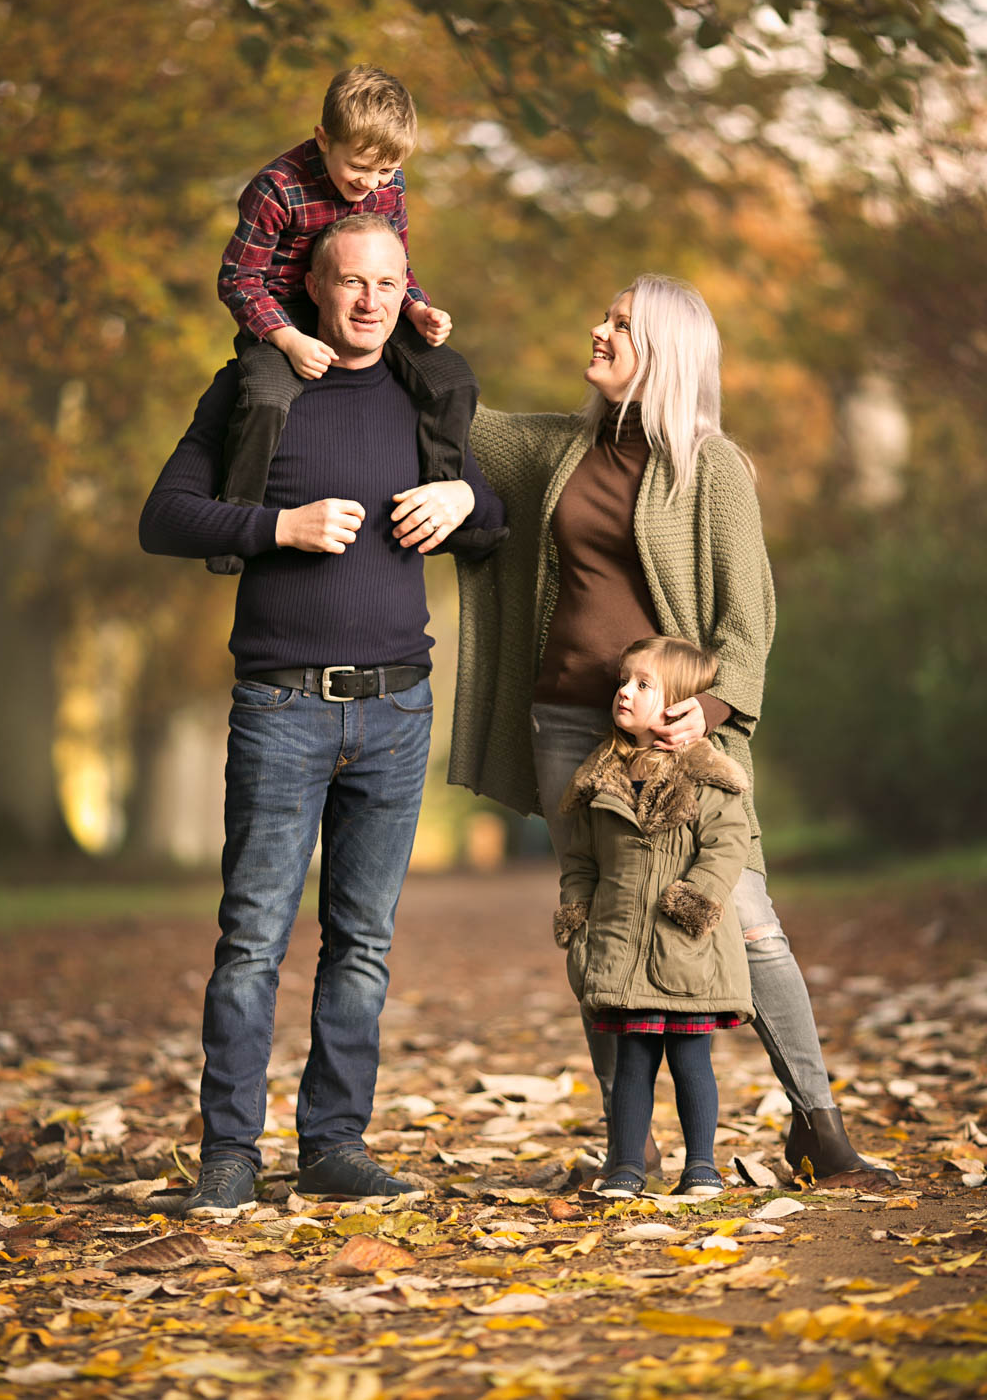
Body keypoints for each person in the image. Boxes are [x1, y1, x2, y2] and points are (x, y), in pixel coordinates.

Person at [450, 273, 897, 1187]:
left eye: (620, 322)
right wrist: (414, 321)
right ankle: (631, 1146)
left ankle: (818, 1125)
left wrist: (714, 706)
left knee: (748, 918)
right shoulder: (561, 450)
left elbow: (748, 616)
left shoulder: (712, 466)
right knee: (601, 925)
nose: (598, 329)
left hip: (679, 735)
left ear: (666, 349)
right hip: (571, 728)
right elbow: (465, 419)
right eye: (603, 315)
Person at [139, 215, 506, 1216]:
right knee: (253, 936)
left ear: (405, 288)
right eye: (349, 282)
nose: (368, 301)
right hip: (280, 708)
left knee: (363, 942)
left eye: (386, 283)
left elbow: (491, 513)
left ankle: (335, 1146)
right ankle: (230, 1156)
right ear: (311, 282)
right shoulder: (255, 385)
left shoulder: (424, 386)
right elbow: (162, 517)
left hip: (397, 709)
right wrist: (276, 528)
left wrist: (465, 505)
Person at [210, 63, 474, 575]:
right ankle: (235, 525)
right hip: (282, 316)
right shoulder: (277, 188)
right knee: (264, 399)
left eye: (384, 172)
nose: (371, 183)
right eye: (359, 168)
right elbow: (238, 279)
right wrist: (287, 340)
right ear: (323, 138)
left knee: (453, 380)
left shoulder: (388, 181)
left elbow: (395, 263)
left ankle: (439, 506)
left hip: (365, 309)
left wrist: (417, 308)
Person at [555, 634, 754, 1198]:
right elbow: (581, 859)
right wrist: (578, 913)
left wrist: (694, 900)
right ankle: (626, 1164)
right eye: (624, 680)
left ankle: (701, 1164)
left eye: (643, 684)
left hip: (685, 948)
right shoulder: (601, 781)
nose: (624, 692)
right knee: (632, 1063)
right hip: (620, 947)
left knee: (692, 1062)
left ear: (677, 703)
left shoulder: (707, 776)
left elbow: (728, 845)